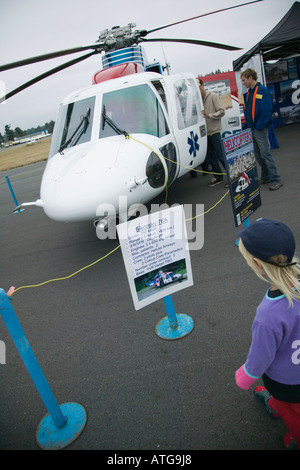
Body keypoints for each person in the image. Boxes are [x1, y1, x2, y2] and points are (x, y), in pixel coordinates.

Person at [235, 218, 300, 450]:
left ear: (257, 264)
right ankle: (277, 404)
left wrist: (246, 376)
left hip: (288, 383)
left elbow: (261, 356)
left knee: (295, 416)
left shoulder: (268, 315)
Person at [240, 68, 282, 191]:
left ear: (250, 78)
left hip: (259, 129)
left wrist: (259, 125)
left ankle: (276, 179)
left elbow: (266, 110)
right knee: (258, 155)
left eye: (243, 80)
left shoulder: (262, 91)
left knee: (265, 154)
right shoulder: (249, 93)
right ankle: (266, 176)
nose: (242, 83)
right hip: (253, 128)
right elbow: (248, 110)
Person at [198, 79, 226, 187]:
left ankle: (232, 176)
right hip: (205, 133)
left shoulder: (213, 96)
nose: (198, 88)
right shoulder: (198, 100)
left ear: (203, 85)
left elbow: (222, 111)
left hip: (214, 132)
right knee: (211, 157)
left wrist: (210, 115)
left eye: (198, 86)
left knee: (221, 155)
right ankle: (218, 177)